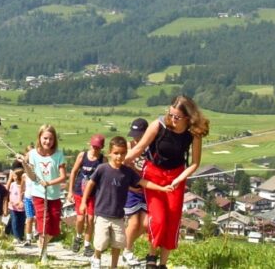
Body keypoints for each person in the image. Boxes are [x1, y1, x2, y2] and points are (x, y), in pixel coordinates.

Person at [125, 95, 209, 269]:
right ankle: (152, 253)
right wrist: (121, 162)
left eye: (176, 117)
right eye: (170, 114)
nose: (172, 119)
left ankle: (162, 263)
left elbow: (195, 163)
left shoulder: (193, 133)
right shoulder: (159, 125)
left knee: (172, 221)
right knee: (158, 219)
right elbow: (140, 147)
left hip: (176, 176)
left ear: (188, 118)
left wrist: (179, 180)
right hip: (154, 174)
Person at [81, 136, 168, 269]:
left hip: (118, 216)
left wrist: (161, 188)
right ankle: (96, 257)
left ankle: (114, 266)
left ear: (126, 154)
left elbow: (143, 183)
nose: (119, 157)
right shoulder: (102, 169)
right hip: (102, 214)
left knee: (118, 243)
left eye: (122, 153)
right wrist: (83, 202)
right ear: (110, 152)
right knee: (101, 242)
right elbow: (90, 184)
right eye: (116, 153)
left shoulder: (127, 172)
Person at [26, 125, 67, 265]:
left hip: (54, 195)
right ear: (39, 138)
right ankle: (43, 254)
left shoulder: (59, 154)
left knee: (54, 228)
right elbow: (31, 176)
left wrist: (49, 183)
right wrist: (25, 165)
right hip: (38, 194)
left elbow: (63, 177)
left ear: (54, 139)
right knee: (44, 223)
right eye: (45, 138)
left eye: (50, 138)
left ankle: (41, 242)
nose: (47, 141)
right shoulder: (32, 154)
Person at [67, 133, 105, 257]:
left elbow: (105, 177)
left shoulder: (102, 160)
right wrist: (70, 190)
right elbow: (73, 172)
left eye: (98, 147)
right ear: (90, 144)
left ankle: (87, 244)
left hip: (94, 194)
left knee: (90, 219)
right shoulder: (82, 156)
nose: (95, 149)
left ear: (102, 147)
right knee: (80, 218)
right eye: (94, 146)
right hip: (79, 190)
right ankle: (78, 237)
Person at [122, 118, 149, 267]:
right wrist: (129, 187)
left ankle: (125, 244)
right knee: (133, 223)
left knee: (145, 224)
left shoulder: (151, 147)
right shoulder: (128, 146)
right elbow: (121, 168)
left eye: (139, 135)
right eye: (134, 134)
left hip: (146, 189)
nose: (136, 138)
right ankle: (127, 251)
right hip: (131, 190)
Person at [7, 161, 27, 243]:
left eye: (14, 176)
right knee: (14, 221)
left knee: (21, 222)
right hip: (13, 207)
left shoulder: (24, 186)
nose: (13, 177)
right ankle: (16, 236)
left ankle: (21, 236)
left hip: (22, 208)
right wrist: (10, 202)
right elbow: (10, 194)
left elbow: (25, 196)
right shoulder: (13, 185)